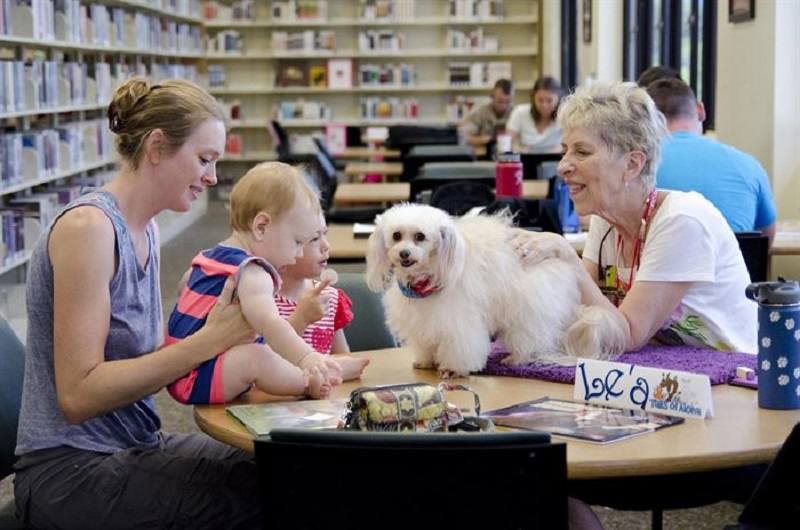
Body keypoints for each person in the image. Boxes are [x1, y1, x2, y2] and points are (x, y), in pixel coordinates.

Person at [14, 77, 263, 528]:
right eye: (204, 159)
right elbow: (78, 394)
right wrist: (208, 342)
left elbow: (153, 365)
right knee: (260, 505)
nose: (211, 177)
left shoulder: (145, 228)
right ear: (156, 146)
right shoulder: (88, 230)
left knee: (286, 472)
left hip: (136, 443)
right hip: (69, 471)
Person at [516, 81, 757, 355]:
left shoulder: (682, 220)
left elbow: (628, 334)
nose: (563, 166)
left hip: (732, 382)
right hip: (665, 371)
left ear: (632, 164)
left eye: (581, 152)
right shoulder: (605, 217)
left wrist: (567, 258)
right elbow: (575, 306)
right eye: (565, 151)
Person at [166, 161, 344, 405]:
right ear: (262, 227)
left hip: (177, 368)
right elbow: (271, 324)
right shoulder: (253, 271)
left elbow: (184, 286)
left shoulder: (210, 257)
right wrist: (307, 357)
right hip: (198, 376)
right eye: (297, 242)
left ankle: (336, 369)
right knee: (259, 356)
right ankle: (306, 383)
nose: (300, 254)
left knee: (259, 351)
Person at [646, 78, 778, 247]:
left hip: (659, 270)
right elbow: (765, 241)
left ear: (647, 120)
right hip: (733, 272)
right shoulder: (748, 165)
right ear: (700, 110)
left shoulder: (638, 167)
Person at [275, 212, 370, 380]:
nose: (326, 245)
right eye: (314, 239)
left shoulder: (329, 298)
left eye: (324, 235)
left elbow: (343, 360)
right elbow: (266, 363)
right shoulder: (260, 304)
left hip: (325, 401)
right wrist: (300, 320)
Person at [507, 76, 563, 153]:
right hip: (525, 161)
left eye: (549, 100)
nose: (544, 105)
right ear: (533, 98)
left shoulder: (564, 116)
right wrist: (515, 148)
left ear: (558, 99)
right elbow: (507, 144)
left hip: (555, 161)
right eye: (540, 100)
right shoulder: (519, 112)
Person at [459, 78, 515, 151]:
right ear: (492, 97)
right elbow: (463, 138)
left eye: (508, 102)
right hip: (483, 155)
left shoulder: (516, 113)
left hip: (511, 155)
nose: (504, 106)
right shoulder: (480, 111)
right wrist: (486, 140)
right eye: (500, 101)